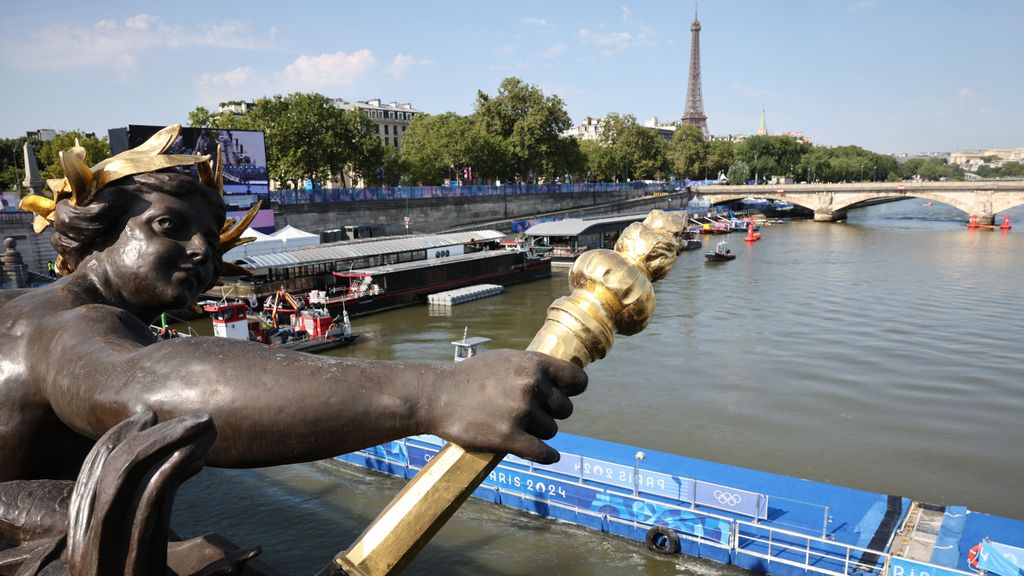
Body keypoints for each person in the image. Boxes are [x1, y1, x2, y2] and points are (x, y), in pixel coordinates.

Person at [1, 126, 586, 542]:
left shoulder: (16, 306)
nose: (202, 249)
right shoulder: (78, 324)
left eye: (213, 237)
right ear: (94, 232)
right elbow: (147, 386)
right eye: (168, 226)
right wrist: (438, 393)